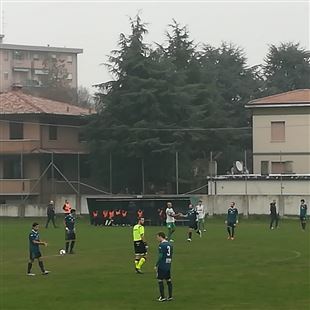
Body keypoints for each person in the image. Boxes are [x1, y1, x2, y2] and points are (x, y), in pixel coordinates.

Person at [155, 231, 173, 302]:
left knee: (160, 280)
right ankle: (170, 296)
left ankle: (162, 297)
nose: (157, 239)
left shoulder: (161, 245)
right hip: (168, 265)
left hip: (162, 265)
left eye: (157, 237)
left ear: (160, 236)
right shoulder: (170, 244)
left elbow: (160, 256)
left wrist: (156, 264)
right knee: (168, 280)